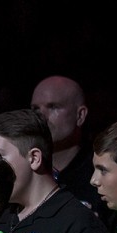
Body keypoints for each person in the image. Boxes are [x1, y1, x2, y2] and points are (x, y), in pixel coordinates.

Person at [31, 75, 96, 208]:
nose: (41, 116)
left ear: (80, 115)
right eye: (35, 109)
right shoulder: (25, 172)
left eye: (53, 107)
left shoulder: (98, 173)